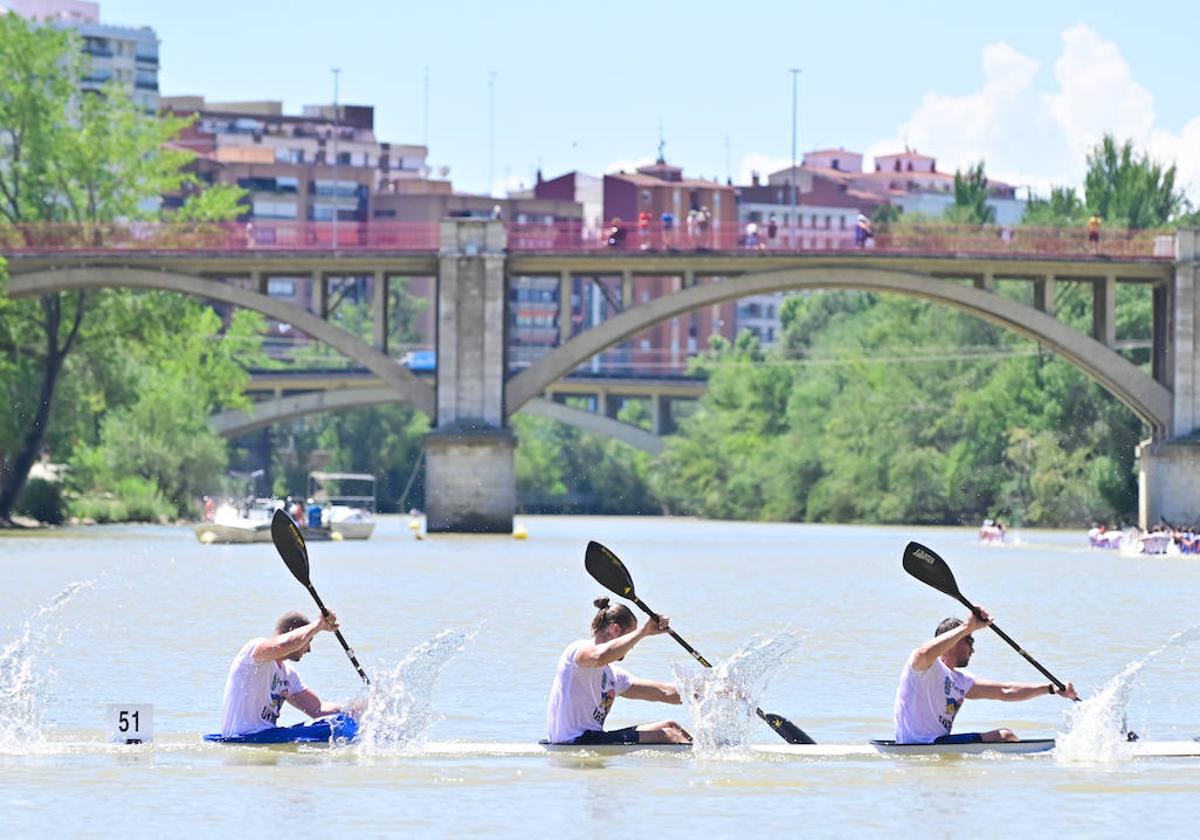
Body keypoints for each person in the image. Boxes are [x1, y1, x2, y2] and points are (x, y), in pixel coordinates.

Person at [893, 609, 1078, 744]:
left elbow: (1005, 691)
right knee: (1005, 736)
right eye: (970, 640)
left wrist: (1051, 689)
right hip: (923, 744)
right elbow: (924, 653)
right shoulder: (924, 667)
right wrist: (967, 627)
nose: (973, 649)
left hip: (938, 744)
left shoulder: (960, 680)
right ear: (953, 642)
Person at [546, 597, 691, 745]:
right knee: (670, 735)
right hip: (573, 741)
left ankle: (707, 756)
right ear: (615, 630)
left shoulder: (612, 675)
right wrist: (643, 631)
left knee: (672, 727)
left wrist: (706, 691)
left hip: (593, 738)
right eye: (631, 636)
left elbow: (664, 692)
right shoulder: (576, 650)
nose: (632, 646)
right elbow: (599, 656)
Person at [219, 610, 347, 738]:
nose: (309, 649)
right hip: (242, 737)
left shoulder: (288, 674)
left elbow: (319, 709)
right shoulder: (254, 651)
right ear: (293, 633)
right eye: (309, 640)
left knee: (335, 723)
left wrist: (356, 710)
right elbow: (281, 645)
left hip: (267, 736)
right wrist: (318, 625)